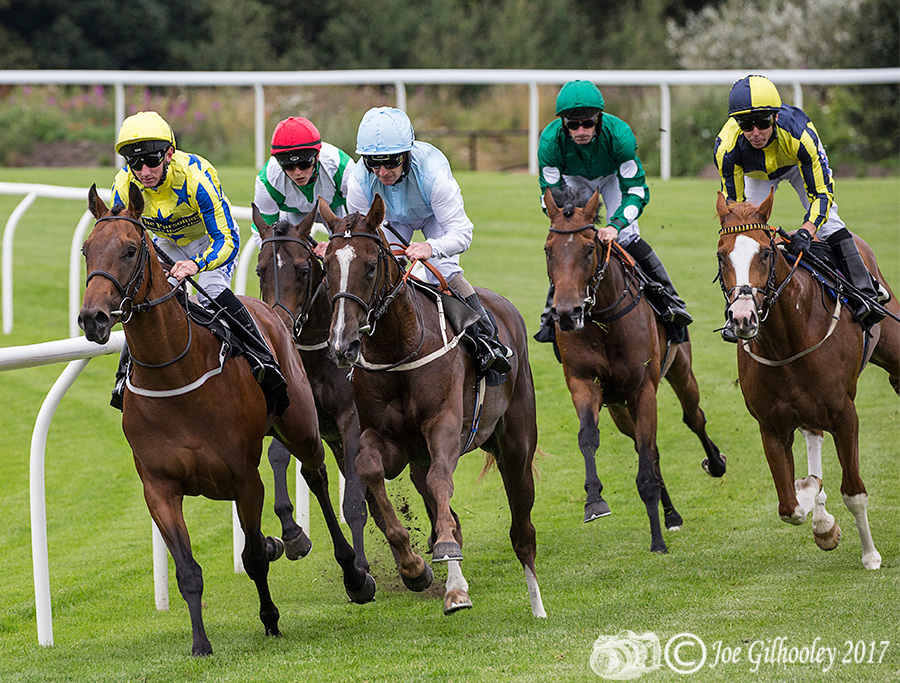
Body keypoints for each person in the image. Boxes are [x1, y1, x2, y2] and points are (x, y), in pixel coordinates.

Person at [109, 110, 285, 409]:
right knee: (148, 299)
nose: (144, 171)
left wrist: (197, 264)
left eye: (151, 160)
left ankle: (264, 359)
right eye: (134, 163)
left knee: (213, 291)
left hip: (212, 239)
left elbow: (226, 239)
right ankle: (124, 375)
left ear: (169, 154)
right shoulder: (123, 187)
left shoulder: (195, 178)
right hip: (167, 245)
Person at [336, 106, 511, 377]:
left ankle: (487, 340)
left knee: (444, 270)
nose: (382, 172)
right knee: (377, 271)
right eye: (374, 163)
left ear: (406, 154)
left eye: (391, 161)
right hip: (393, 221)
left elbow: (462, 232)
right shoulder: (359, 181)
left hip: (433, 216)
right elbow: (362, 238)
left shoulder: (433, 175)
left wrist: (431, 247)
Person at [714, 74, 884, 341]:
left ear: (776, 117)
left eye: (762, 122)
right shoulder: (727, 147)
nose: (755, 132)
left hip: (795, 166)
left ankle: (866, 292)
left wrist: (806, 230)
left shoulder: (801, 135)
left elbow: (822, 194)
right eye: (746, 124)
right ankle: (736, 309)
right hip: (754, 173)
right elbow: (733, 210)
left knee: (829, 224)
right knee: (741, 241)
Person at [534, 80, 692, 345]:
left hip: (612, 179)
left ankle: (669, 300)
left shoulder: (620, 136)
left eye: (587, 123)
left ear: (599, 119)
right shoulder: (550, 142)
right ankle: (551, 315)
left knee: (628, 236)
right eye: (573, 125)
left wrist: (615, 225)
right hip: (572, 181)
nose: (580, 130)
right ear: (563, 124)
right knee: (568, 242)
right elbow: (550, 196)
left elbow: (636, 191)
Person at [253, 116, 355, 231]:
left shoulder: (342, 169)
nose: (298, 173)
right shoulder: (267, 181)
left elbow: (359, 223)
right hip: (293, 212)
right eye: (289, 166)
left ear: (317, 156)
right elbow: (263, 232)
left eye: (304, 164)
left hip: (335, 207)